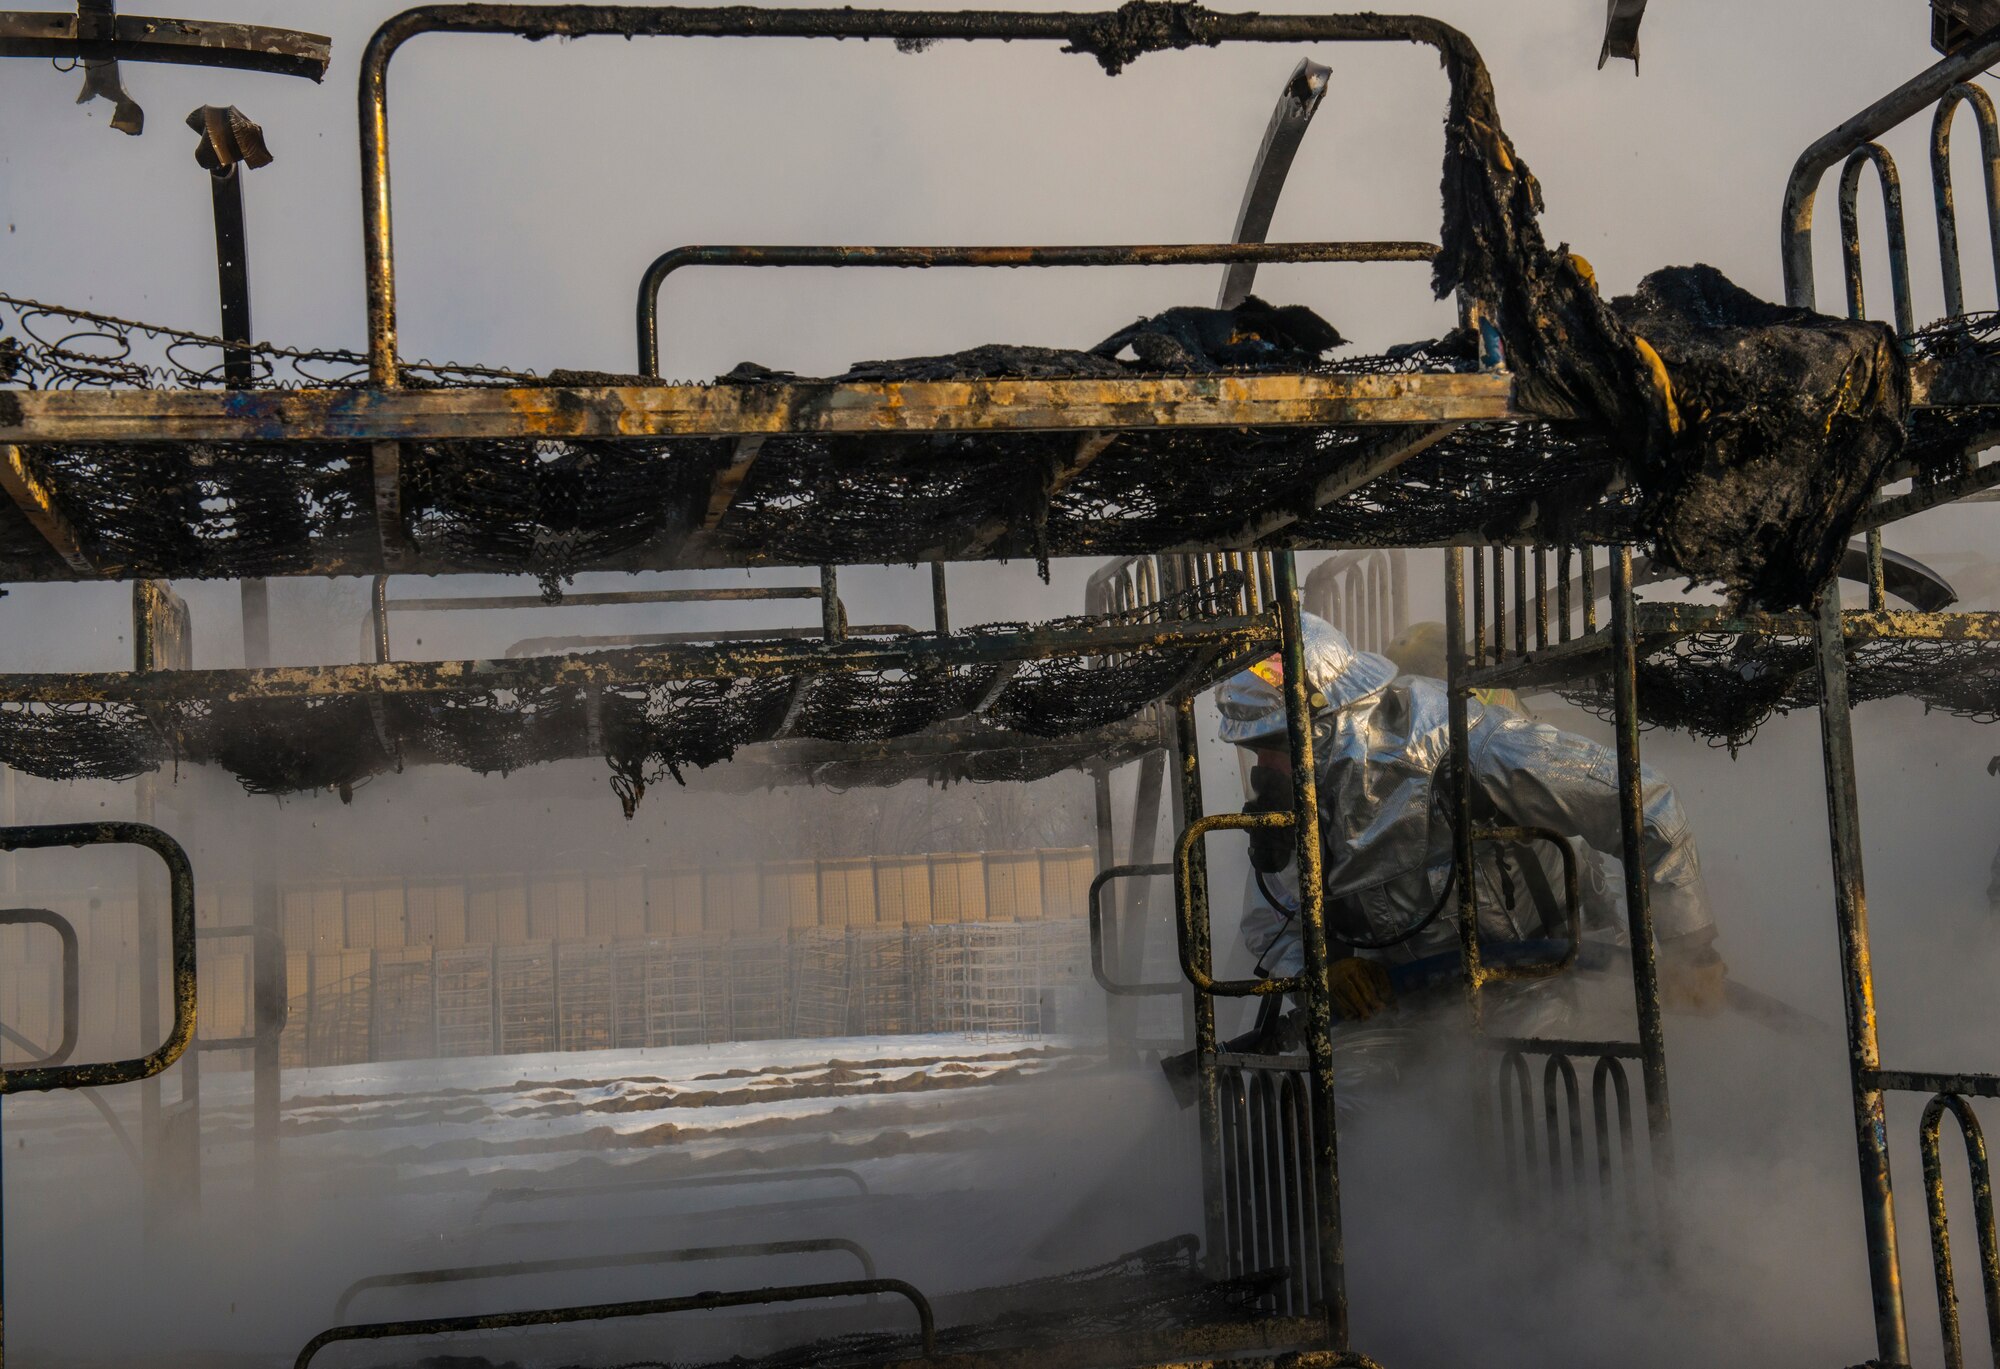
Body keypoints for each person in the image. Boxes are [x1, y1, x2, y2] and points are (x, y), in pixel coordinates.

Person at [1220, 613, 1725, 1027]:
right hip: (1404, 1000)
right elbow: (1272, 918)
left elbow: (1640, 800)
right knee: (1354, 1108)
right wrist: (1322, 971)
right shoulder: (1302, 800)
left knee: (1528, 1095)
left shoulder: (1466, 741)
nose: (1263, 769)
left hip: (1538, 973)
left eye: (1271, 747)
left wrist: (1690, 947)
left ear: (1327, 725)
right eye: (1254, 749)